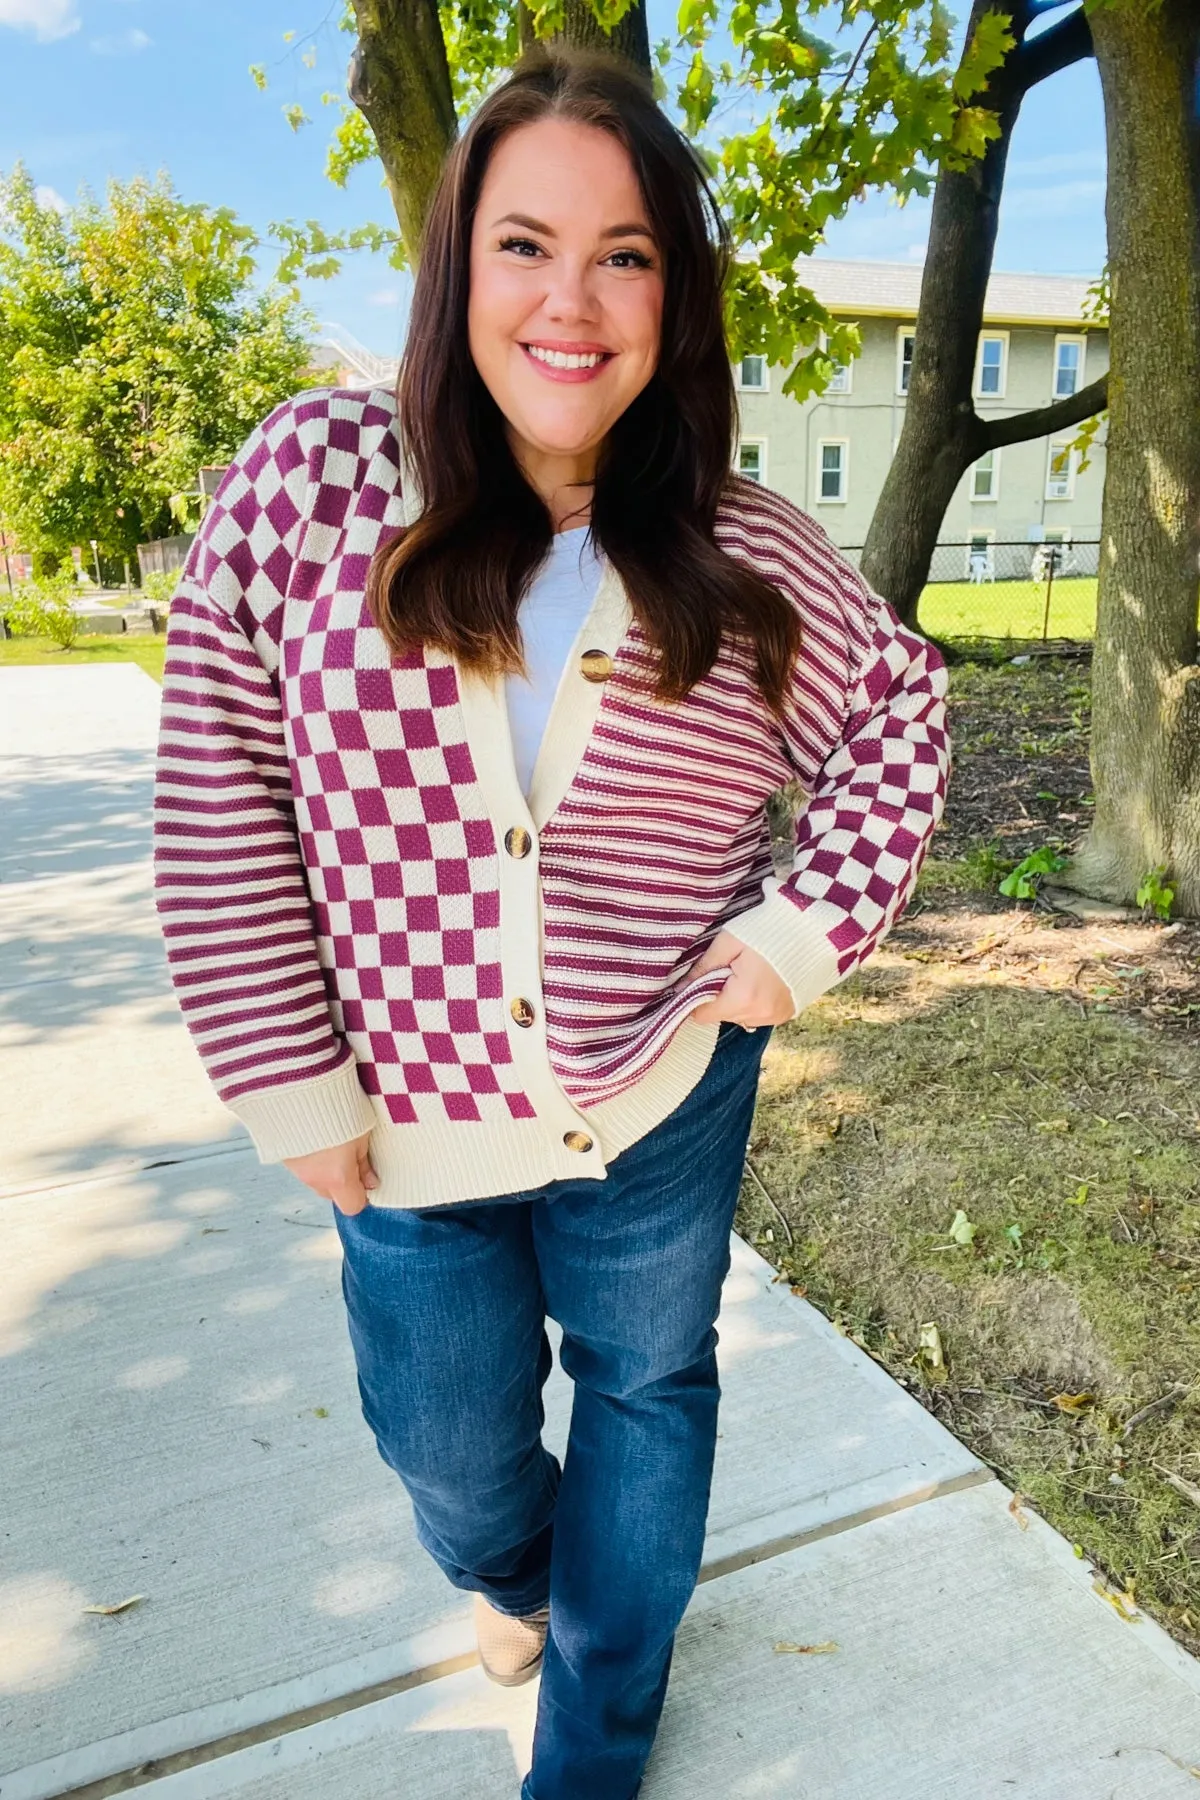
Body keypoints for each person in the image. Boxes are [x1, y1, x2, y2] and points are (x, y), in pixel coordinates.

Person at [153, 46, 950, 1800]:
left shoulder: (742, 550)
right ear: (457, 272)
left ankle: (593, 1729)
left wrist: (795, 938)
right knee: (449, 1454)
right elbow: (217, 788)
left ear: (676, 291)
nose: (570, 302)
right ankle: (519, 1580)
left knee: (650, 1390)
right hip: (400, 1116)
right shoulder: (309, 483)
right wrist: (287, 1081)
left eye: (625, 254)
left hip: (658, 1094)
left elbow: (903, 709)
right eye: (525, 245)